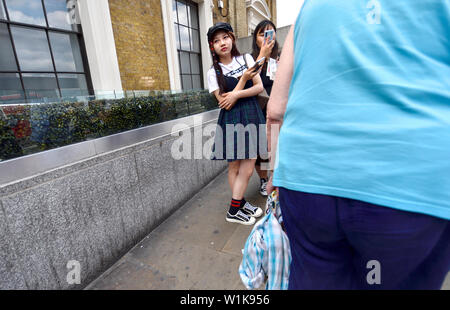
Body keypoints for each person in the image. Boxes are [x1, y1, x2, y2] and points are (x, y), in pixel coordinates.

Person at [267, 0, 450, 289]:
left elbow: (276, 108)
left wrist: (274, 170)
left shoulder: (310, 6)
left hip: (308, 177)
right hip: (413, 180)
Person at [206, 22, 266, 225]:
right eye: (216, 40)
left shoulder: (246, 58)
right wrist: (243, 80)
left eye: (225, 37)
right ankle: (234, 209)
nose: (222, 43)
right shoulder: (213, 72)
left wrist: (237, 93)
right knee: (236, 166)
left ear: (232, 38)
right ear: (212, 46)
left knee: (248, 165)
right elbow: (224, 102)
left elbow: (258, 87)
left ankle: (239, 203)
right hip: (231, 117)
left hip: (250, 113)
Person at [250, 20, 280, 196]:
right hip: (258, 110)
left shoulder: (281, 57)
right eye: (262, 34)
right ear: (256, 39)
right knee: (261, 150)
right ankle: (263, 180)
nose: (267, 37)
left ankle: (274, 178)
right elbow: (249, 78)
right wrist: (262, 55)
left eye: (270, 32)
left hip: (277, 110)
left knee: (275, 147)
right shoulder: (251, 59)